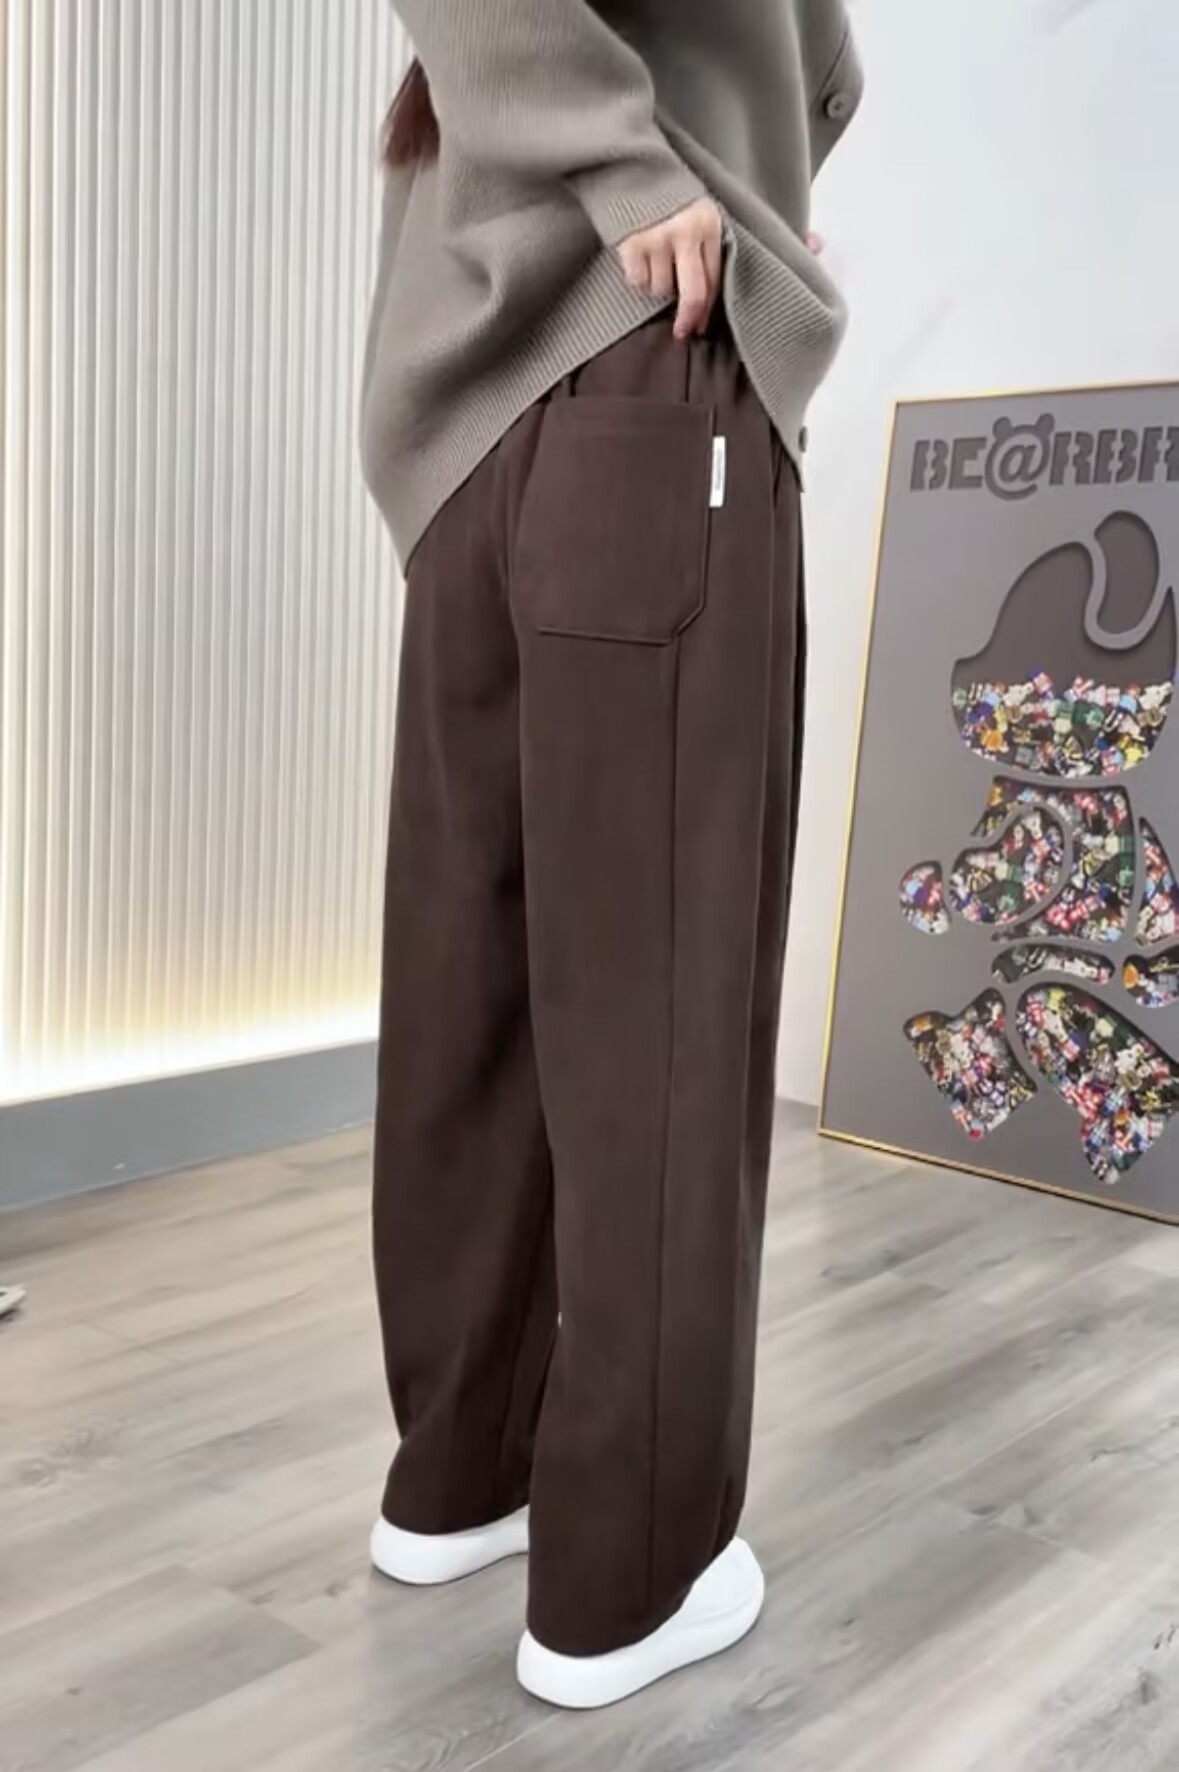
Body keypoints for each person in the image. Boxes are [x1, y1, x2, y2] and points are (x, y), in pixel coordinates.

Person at [360, 0, 862, 1711]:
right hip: (653, 365)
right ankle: (627, 1578)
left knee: (475, 977)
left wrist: (703, 169)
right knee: (659, 995)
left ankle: (459, 1473)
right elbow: (822, 72)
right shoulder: (619, 158)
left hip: (464, 441)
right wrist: (659, 167)